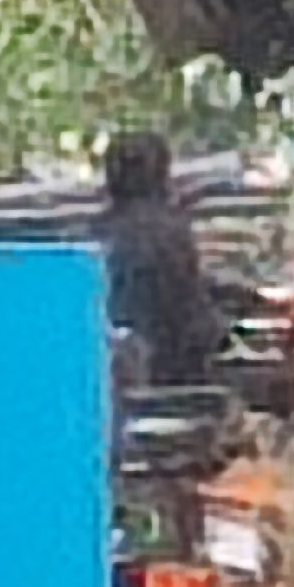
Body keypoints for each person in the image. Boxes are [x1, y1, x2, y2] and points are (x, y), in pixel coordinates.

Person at [99, 128, 222, 395]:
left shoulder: (94, 236)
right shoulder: (173, 233)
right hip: (168, 375)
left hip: (107, 373)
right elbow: (189, 312)